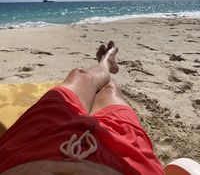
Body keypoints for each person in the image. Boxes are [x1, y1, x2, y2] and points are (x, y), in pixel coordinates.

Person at [0, 41, 164, 175]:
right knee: (110, 90)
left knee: (79, 75)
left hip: (28, 148)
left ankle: (104, 64)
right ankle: (105, 64)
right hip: (128, 157)